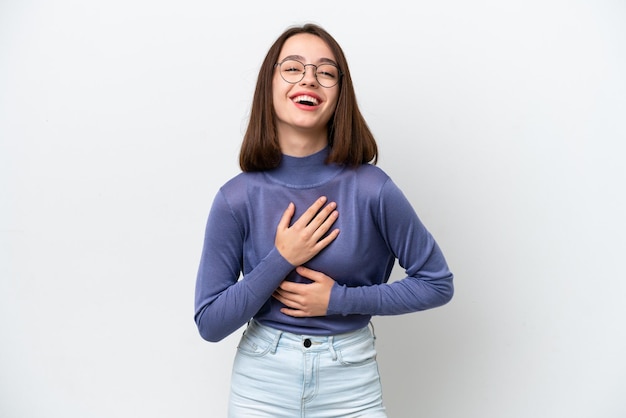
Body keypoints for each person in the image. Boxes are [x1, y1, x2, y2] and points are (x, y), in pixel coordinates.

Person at [194, 23, 454, 417]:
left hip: (350, 382)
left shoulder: (372, 189)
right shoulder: (236, 198)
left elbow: (437, 283)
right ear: (270, 84)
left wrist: (341, 300)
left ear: (339, 95)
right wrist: (281, 259)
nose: (310, 79)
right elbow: (210, 323)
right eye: (293, 68)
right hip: (263, 383)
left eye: (326, 72)